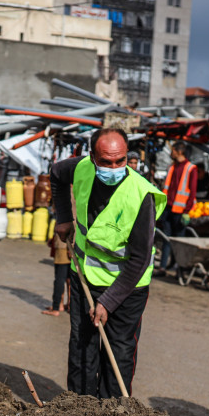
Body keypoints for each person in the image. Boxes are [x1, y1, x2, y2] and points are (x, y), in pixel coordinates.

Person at [51, 127, 165, 399]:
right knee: (82, 346)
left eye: (120, 161)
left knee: (118, 352)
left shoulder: (141, 196)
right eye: (106, 162)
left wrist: (108, 302)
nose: (114, 168)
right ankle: (80, 408)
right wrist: (64, 216)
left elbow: (139, 261)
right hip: (85, 278)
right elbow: (56, 174)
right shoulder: (81, 168)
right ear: (92, 157)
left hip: (127, 287)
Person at [156, 141, 197, 275]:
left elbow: (192, 192)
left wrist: (187, 211)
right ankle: (163, 268)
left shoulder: (191, 168)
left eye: (173, 150)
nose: (171, 153)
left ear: (179, 151)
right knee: (167, 239)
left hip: (180, 211)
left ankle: (180, 270)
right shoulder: (172, 167)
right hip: (168, 208)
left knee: (180, 242)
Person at [42, 230, 71, 316]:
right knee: (68, 279)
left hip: (64, 248)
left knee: (59, 280)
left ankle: (56, 308)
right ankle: (64, 305)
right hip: (67, 247)